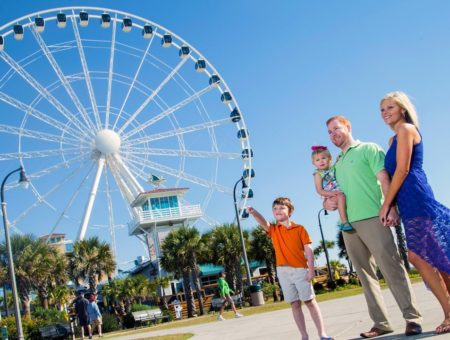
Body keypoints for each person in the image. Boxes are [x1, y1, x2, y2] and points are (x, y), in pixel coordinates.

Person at [325, 115, 422, 338]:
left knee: (392, 268)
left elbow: (384, 179)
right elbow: (333, 193)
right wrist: (327, 202)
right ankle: (381, 323)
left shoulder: (368, 148)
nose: (333, 134)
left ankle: (412, 318)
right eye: (329, 132)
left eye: (336, 129)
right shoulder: (336, 163)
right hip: (348, 225)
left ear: (348, 127)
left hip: (373, 217)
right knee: (365, 275)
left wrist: (390, 207)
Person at [379, 91, 450, 335]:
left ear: (402, 109)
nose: (385, 113)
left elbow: (402, 170)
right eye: (382, 109)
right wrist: (395, 205)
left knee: (418, 255)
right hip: (406, 201)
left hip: (416, 194)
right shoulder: (392, 140)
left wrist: (386, 204)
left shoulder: (407, 130)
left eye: (390, 107)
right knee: (436, 256)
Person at [248, 198, 333, 340]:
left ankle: (322, 334)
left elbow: (309, 250)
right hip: (283, 272)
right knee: (294, 304)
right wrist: (254, 212)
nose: (277, 211)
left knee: (310, 302)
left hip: (300, 270)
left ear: (290, 211)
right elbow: (262, 221)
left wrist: (311, 270)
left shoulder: (299, 229)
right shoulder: (274, 230)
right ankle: (304, 336)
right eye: (275, 209)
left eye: (281, 208)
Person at [311, 145, 352, 231]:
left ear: (330, 159)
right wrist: (332, 194)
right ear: (314, 163)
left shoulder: (332, 169)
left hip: (336, 192)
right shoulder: (318, 174)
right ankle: (344, 222)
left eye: (323, 158)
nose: (321, 161)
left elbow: (337, 163)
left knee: (342, 197)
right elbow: (319, 190)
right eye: (317, 160)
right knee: (341, 196)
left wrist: (339, 158)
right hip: (330, 195)